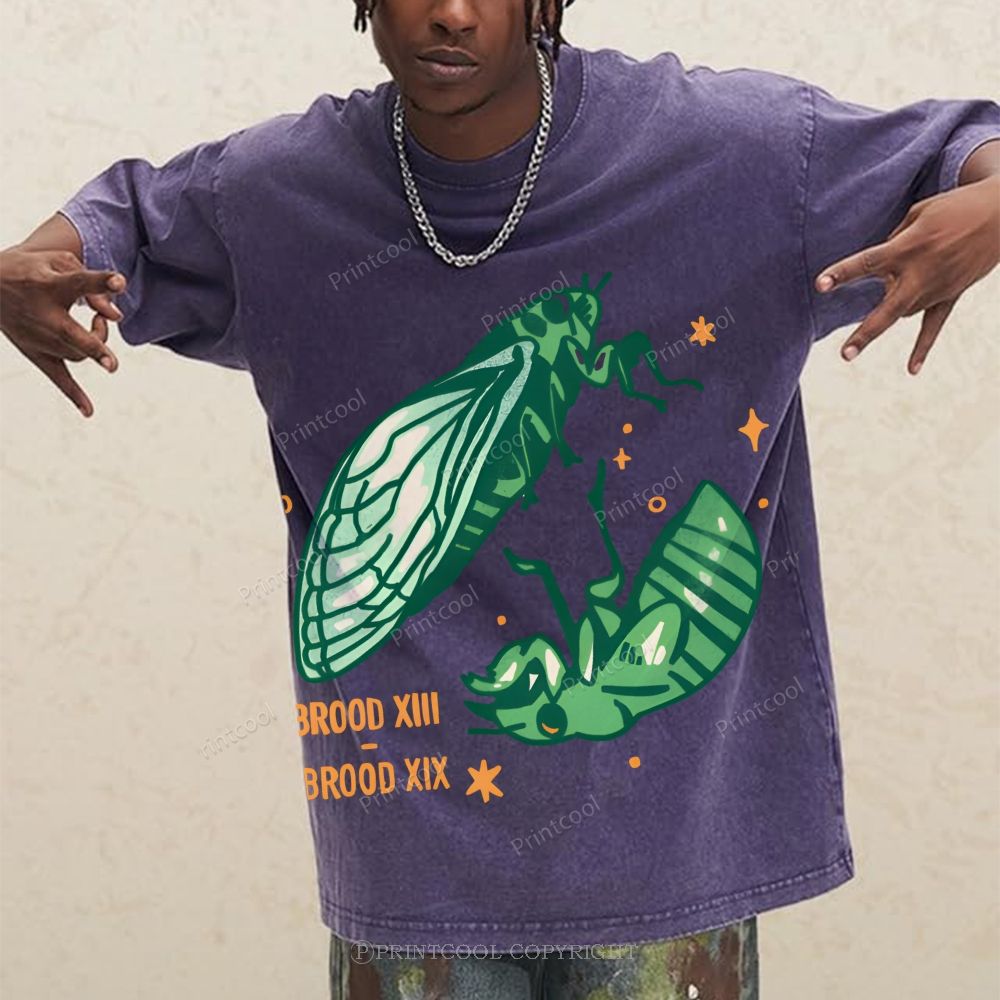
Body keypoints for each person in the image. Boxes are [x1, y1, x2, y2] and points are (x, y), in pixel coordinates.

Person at [2, 1, 997, 997]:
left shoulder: (740, 154)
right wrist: (21, 272)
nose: (450, 11)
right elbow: (120, 222)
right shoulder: (277, 193)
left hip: (666, 866)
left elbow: (961, 148)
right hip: (413, 860)